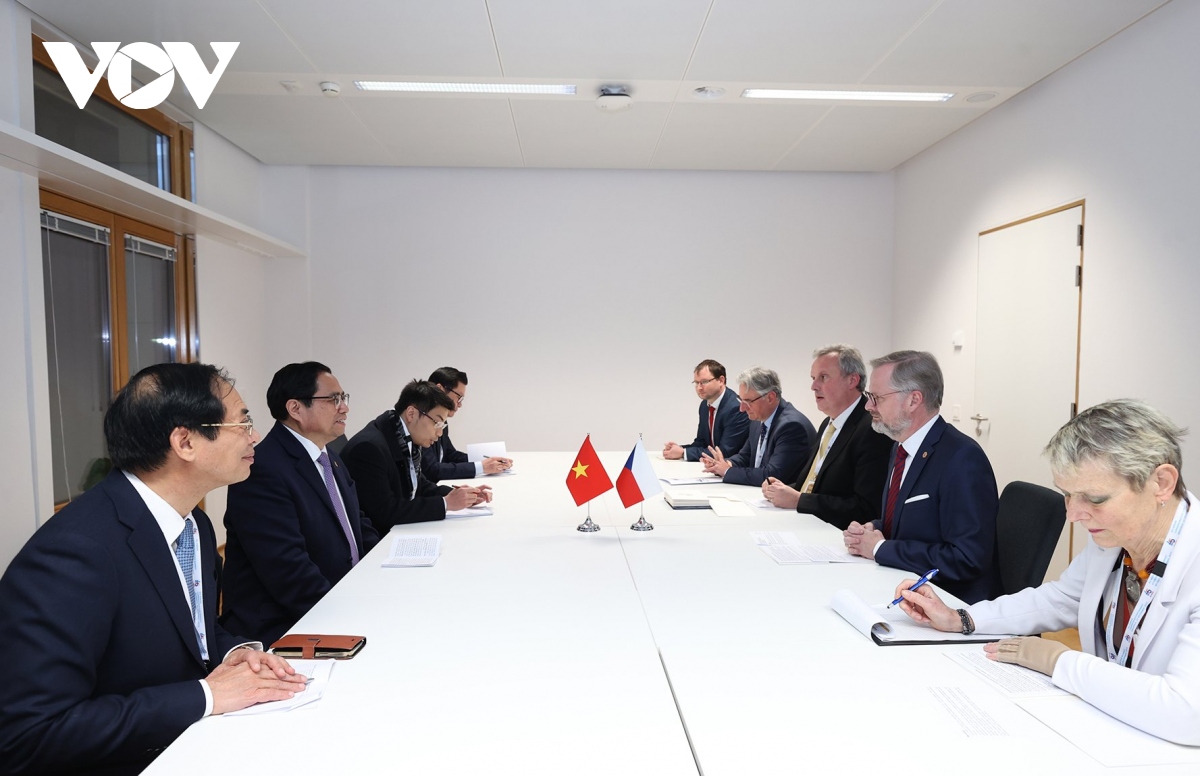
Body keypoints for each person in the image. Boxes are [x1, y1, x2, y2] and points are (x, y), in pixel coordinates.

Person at [0, 363, 306, 775]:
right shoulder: (76, 552)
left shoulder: (194, 523)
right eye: (242, 423)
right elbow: (30, 735)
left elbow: (191, 631)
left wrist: (239, 655)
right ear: (185, 442)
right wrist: (207, 696)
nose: (254, 436)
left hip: (198, 744)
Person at [896, 399, 1200, 745]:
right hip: (1116, 731)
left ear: (1161, 482)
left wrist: (1060, 662)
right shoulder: (1117, 540)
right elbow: (1061, 599)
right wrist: (960, 618)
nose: (1072, 515)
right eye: (1067, 495)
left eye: (1095, 499)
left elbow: (1188, 713)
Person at [221, 362, 380, 646]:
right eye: (333, 399)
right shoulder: (263, 468)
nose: (344, 408)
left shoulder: (328, 455)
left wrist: (383, 571)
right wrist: (351, 616)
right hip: (288, 629)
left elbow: (356, 522)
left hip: (343, 601)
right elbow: (288, 571)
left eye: (343, 398)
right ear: (295, 408)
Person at [843, 350, 1001, 603]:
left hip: (949, 601)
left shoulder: (962, 459)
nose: (868, 406)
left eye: (876, 398)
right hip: (906, 584)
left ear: (913, 400)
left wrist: (880, 548)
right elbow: (915, 522)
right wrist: (873, 529)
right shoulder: (901, 446)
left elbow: (967, 559)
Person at [762, 345, 892, 529]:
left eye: (823, 377)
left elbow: (866, 509)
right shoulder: (827, 424)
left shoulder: (873, 429)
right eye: (813, 378)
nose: (813, 386)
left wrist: (799, 500)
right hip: (806, 524)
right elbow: (817, 485)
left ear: (852, 380)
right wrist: (784, 489)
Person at [342, 379, 491, 533]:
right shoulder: (369, 448)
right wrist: (446, 503)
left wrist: (461, 496)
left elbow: (418, 484)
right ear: (411, 414)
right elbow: (385, 512)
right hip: (381, 539)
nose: (440, 433)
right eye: (437, 423)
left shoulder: (399, 434)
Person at [701, 366, 815, 487]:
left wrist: (727, 471)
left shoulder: (791, 427)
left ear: (770, 397)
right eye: (741, 400)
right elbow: (746, 456)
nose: (742, 408)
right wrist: (726, 464)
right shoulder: (757, 419)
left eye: (748, 401)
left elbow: (772, 475)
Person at [421, 366, 513, 482]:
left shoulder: (443, 421)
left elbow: (450, 455)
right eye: (458, 398)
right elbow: (431, 469)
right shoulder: (421, 423)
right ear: (440, 390)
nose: (460, 405)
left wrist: (487, 461)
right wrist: (481, 467)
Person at [663, 359, 750, 462]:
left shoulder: (736, 408)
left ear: (721, 380)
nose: (699, 388)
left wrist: (684, 453)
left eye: (704, 382)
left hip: (733, 466)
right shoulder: (705, 405)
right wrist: (680, 449)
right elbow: (702, 442)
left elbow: (725, 452)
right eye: (696, 383)